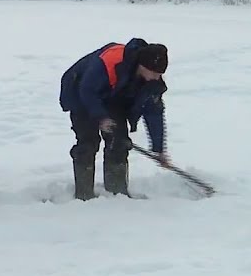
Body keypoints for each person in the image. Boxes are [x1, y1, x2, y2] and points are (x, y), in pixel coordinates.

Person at [58, 38, 169, 200]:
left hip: (113, 97)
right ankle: (83, 194)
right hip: (80, 92)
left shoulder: (151, 82)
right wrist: (101, 117)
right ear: (142, 66)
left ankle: (117, 193)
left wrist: (159, 149)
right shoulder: (110, 62)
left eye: (160, 74)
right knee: (88, 142)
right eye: (154, 73)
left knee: (119, 142)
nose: (157, 77)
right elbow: (87, 90)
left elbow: (154, 113)